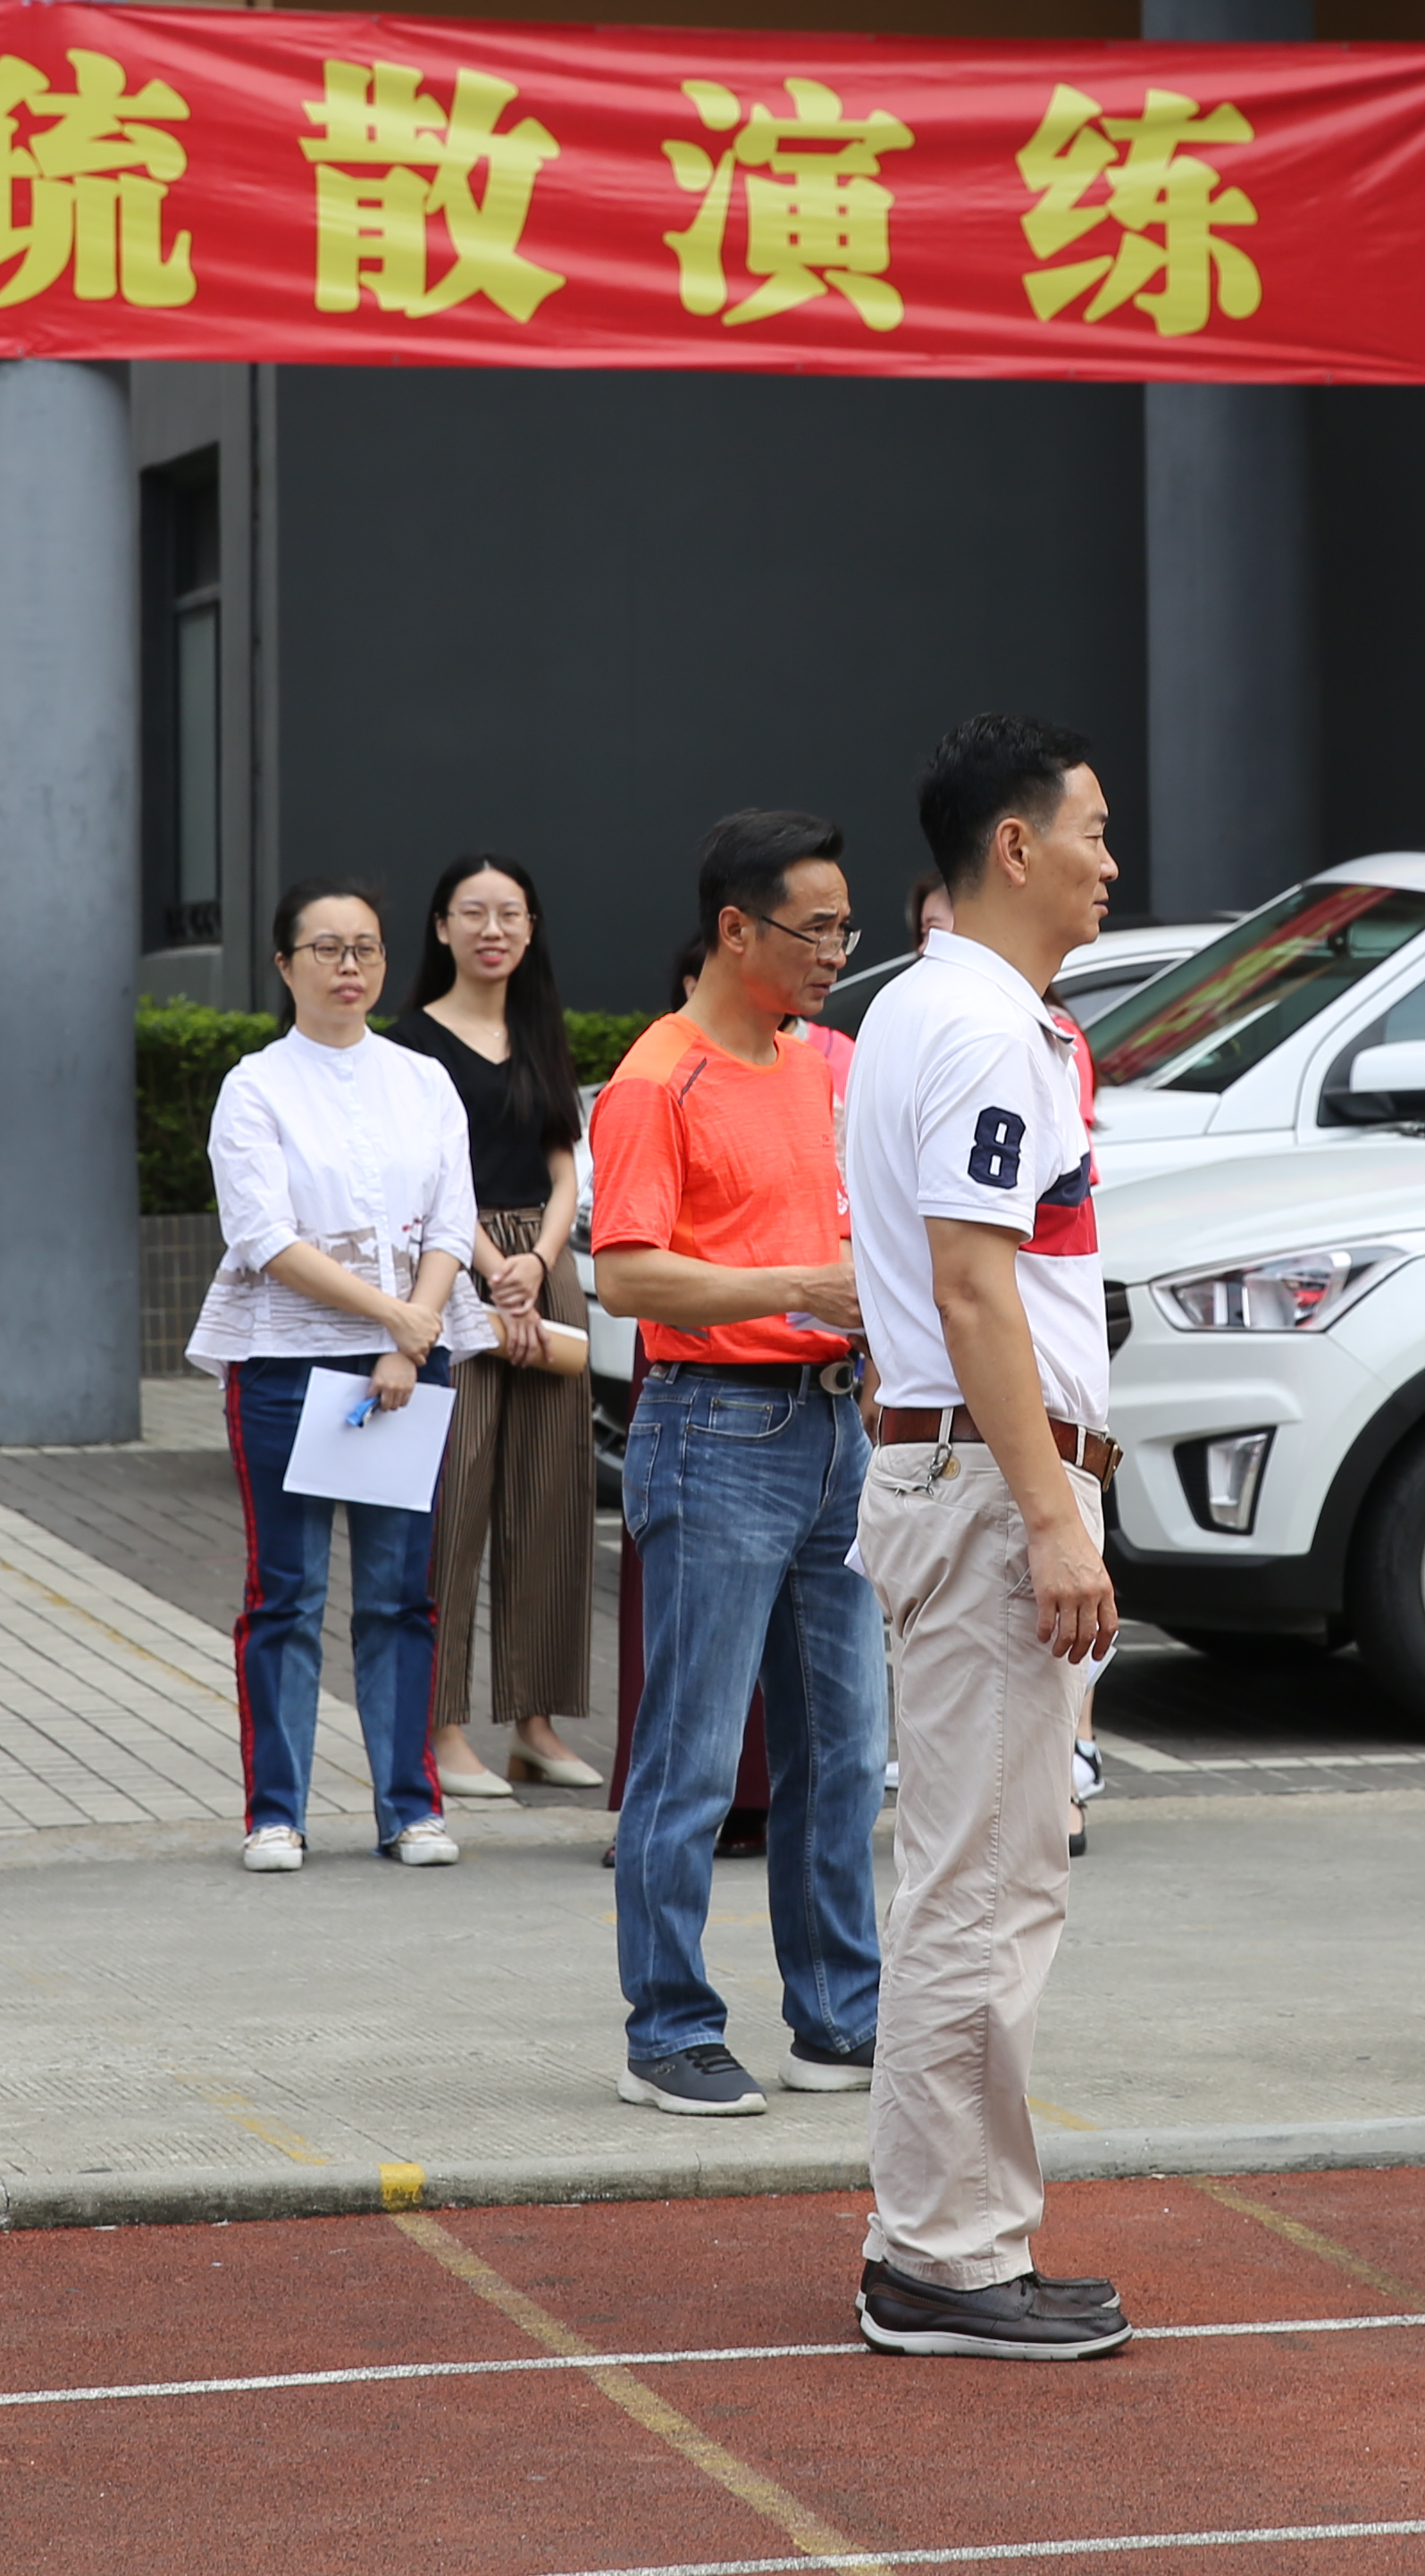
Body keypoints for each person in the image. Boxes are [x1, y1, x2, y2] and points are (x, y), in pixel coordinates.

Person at [843, 715, 1133, 2358]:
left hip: (958, 1477)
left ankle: (952, 2238)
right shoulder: (981, 1026)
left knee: (982, 1869)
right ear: (1013, 848)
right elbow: (972, 1284)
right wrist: (1051, 1517)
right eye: (1092, 829)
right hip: (980, 1484)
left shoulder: (929, 1006)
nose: (1113, 859)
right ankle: (943, 2259)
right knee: (983, 1882)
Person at [585, 808, 884, 2120]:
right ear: (733, 927)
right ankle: (668, 2027)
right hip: (715, 1423)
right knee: (694, 1755)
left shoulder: (829, 1061)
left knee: (841, 1748)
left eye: (843, 927)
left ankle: (839, 2018)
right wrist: (803, 1285)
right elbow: (625, 1275)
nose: (835, 951)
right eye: (815, 928)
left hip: (834, 1427)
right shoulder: (659, 1076)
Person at [190, 879, 482, 1873]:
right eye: (326, 948)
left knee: (402, 1592)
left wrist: (411, 1337)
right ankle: (276, 1810)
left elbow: (451, 1224)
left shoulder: (422, 1081)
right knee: (288, 1591)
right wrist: (393, 1316)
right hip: (285, 1361)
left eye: (365, 948)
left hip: (408, 1358)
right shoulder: (256, 1085)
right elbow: (264, 1236)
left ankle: (410, 1806)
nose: (349, 966)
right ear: (285, 966)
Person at [387, 852, 603, 1800]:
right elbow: (432, 1179)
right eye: (471, 913)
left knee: (552, 1504)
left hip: (541, 1271)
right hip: (455, 1269)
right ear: (440, 929)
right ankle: (440, 1731)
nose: (492, 930)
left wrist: (541, 1264)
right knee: (456, 1500)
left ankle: (536, 1725)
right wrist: (492, 1271)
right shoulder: (410, 1044)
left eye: (510, 913)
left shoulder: (540, 1026)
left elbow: (567, 1163)